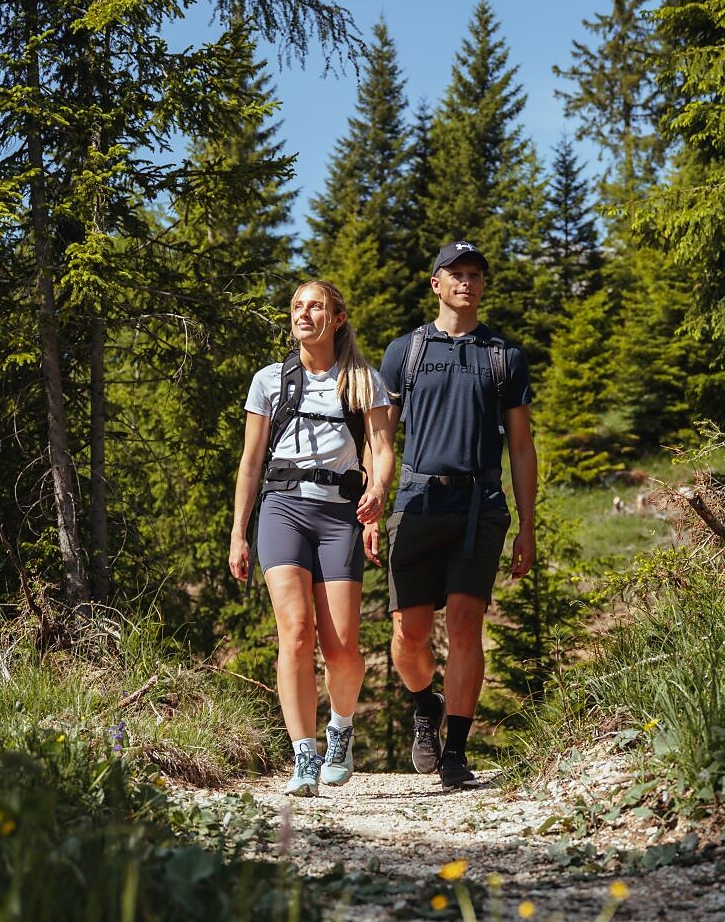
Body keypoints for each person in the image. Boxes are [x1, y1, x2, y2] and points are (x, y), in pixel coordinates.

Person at [371, 241, 536, 787]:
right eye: (456, 273)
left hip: (479, 506)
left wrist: (527, 528)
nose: (466, 282)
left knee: (466, 624)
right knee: (408, 633)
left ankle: (457, 752)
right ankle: (425, 705)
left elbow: (520, 447)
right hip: (415, 502)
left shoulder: (504, 356)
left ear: (483, 286)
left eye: (475, 275)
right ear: (435, 283)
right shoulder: (405, 352)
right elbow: (381, 437)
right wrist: (374, 507)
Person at [229, 281, 395, 796]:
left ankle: (339, 730)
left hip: (339, 515)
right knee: (296, 632)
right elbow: (251, 462)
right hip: (281, 509)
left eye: (316, 305)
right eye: (298, 306)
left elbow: (383, 449)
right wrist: (238, 532)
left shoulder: (363, 380)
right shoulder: (269, 381)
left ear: (337, 318)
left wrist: (378, 494)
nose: (305, 313)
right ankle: (303, 754)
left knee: (342, 647)